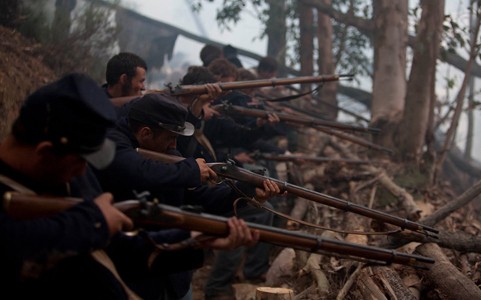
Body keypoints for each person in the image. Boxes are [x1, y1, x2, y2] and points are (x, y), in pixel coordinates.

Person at [93, 92, 280, 300]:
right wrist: (190, 171)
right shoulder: (112, 144)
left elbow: (200, 196)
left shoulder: (167, 153)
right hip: (130, 273)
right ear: (146, 134)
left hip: (173, 268)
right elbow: (137, 171)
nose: (175, 145)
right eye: (171, 138)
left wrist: (247, 191)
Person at [0, 73, 136, 299]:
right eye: (80, 160)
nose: (83, 171)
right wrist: (93, 221)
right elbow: (12, 242)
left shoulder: (64, 177)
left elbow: (117, 245)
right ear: (45, 152)